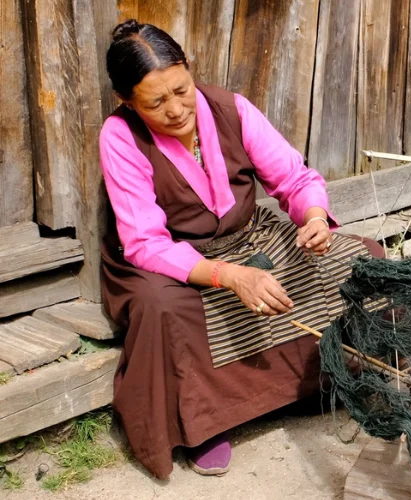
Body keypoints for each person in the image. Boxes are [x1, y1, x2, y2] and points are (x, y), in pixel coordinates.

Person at [99, 19, 383, 479]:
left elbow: (294, 178)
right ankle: (204, 422)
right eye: (155, 102)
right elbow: (144, 241)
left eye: (181, 89)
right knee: (165, 310)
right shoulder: (120, 137)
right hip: (173, 255)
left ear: (190, 70)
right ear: (127, 102)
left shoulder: (230, 108)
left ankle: (325, 380)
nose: (175, 109)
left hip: (250, 236)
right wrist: (227, 276)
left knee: (356, 258)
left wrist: (313, 217)